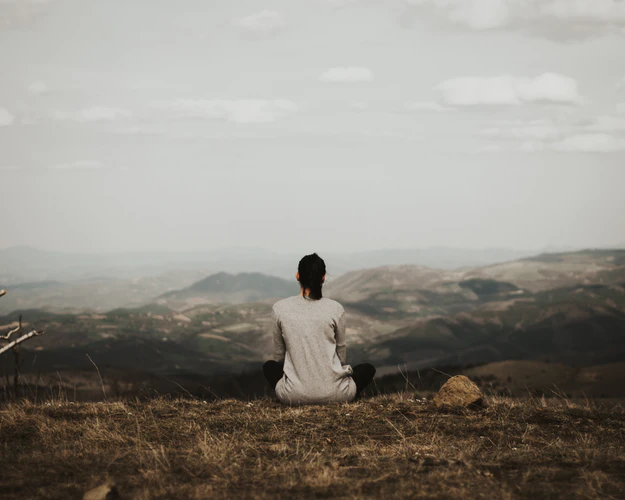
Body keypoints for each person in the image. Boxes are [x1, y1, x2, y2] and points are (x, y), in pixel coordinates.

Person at [263, 253, 376, 405]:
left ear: (297, 276)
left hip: (293, 396)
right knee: (367, 369)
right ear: (323, 278)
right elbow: (341, 356)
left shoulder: (279, 308)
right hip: (337, 395)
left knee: (269, 366)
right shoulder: (335, 308)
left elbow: (279, 357)